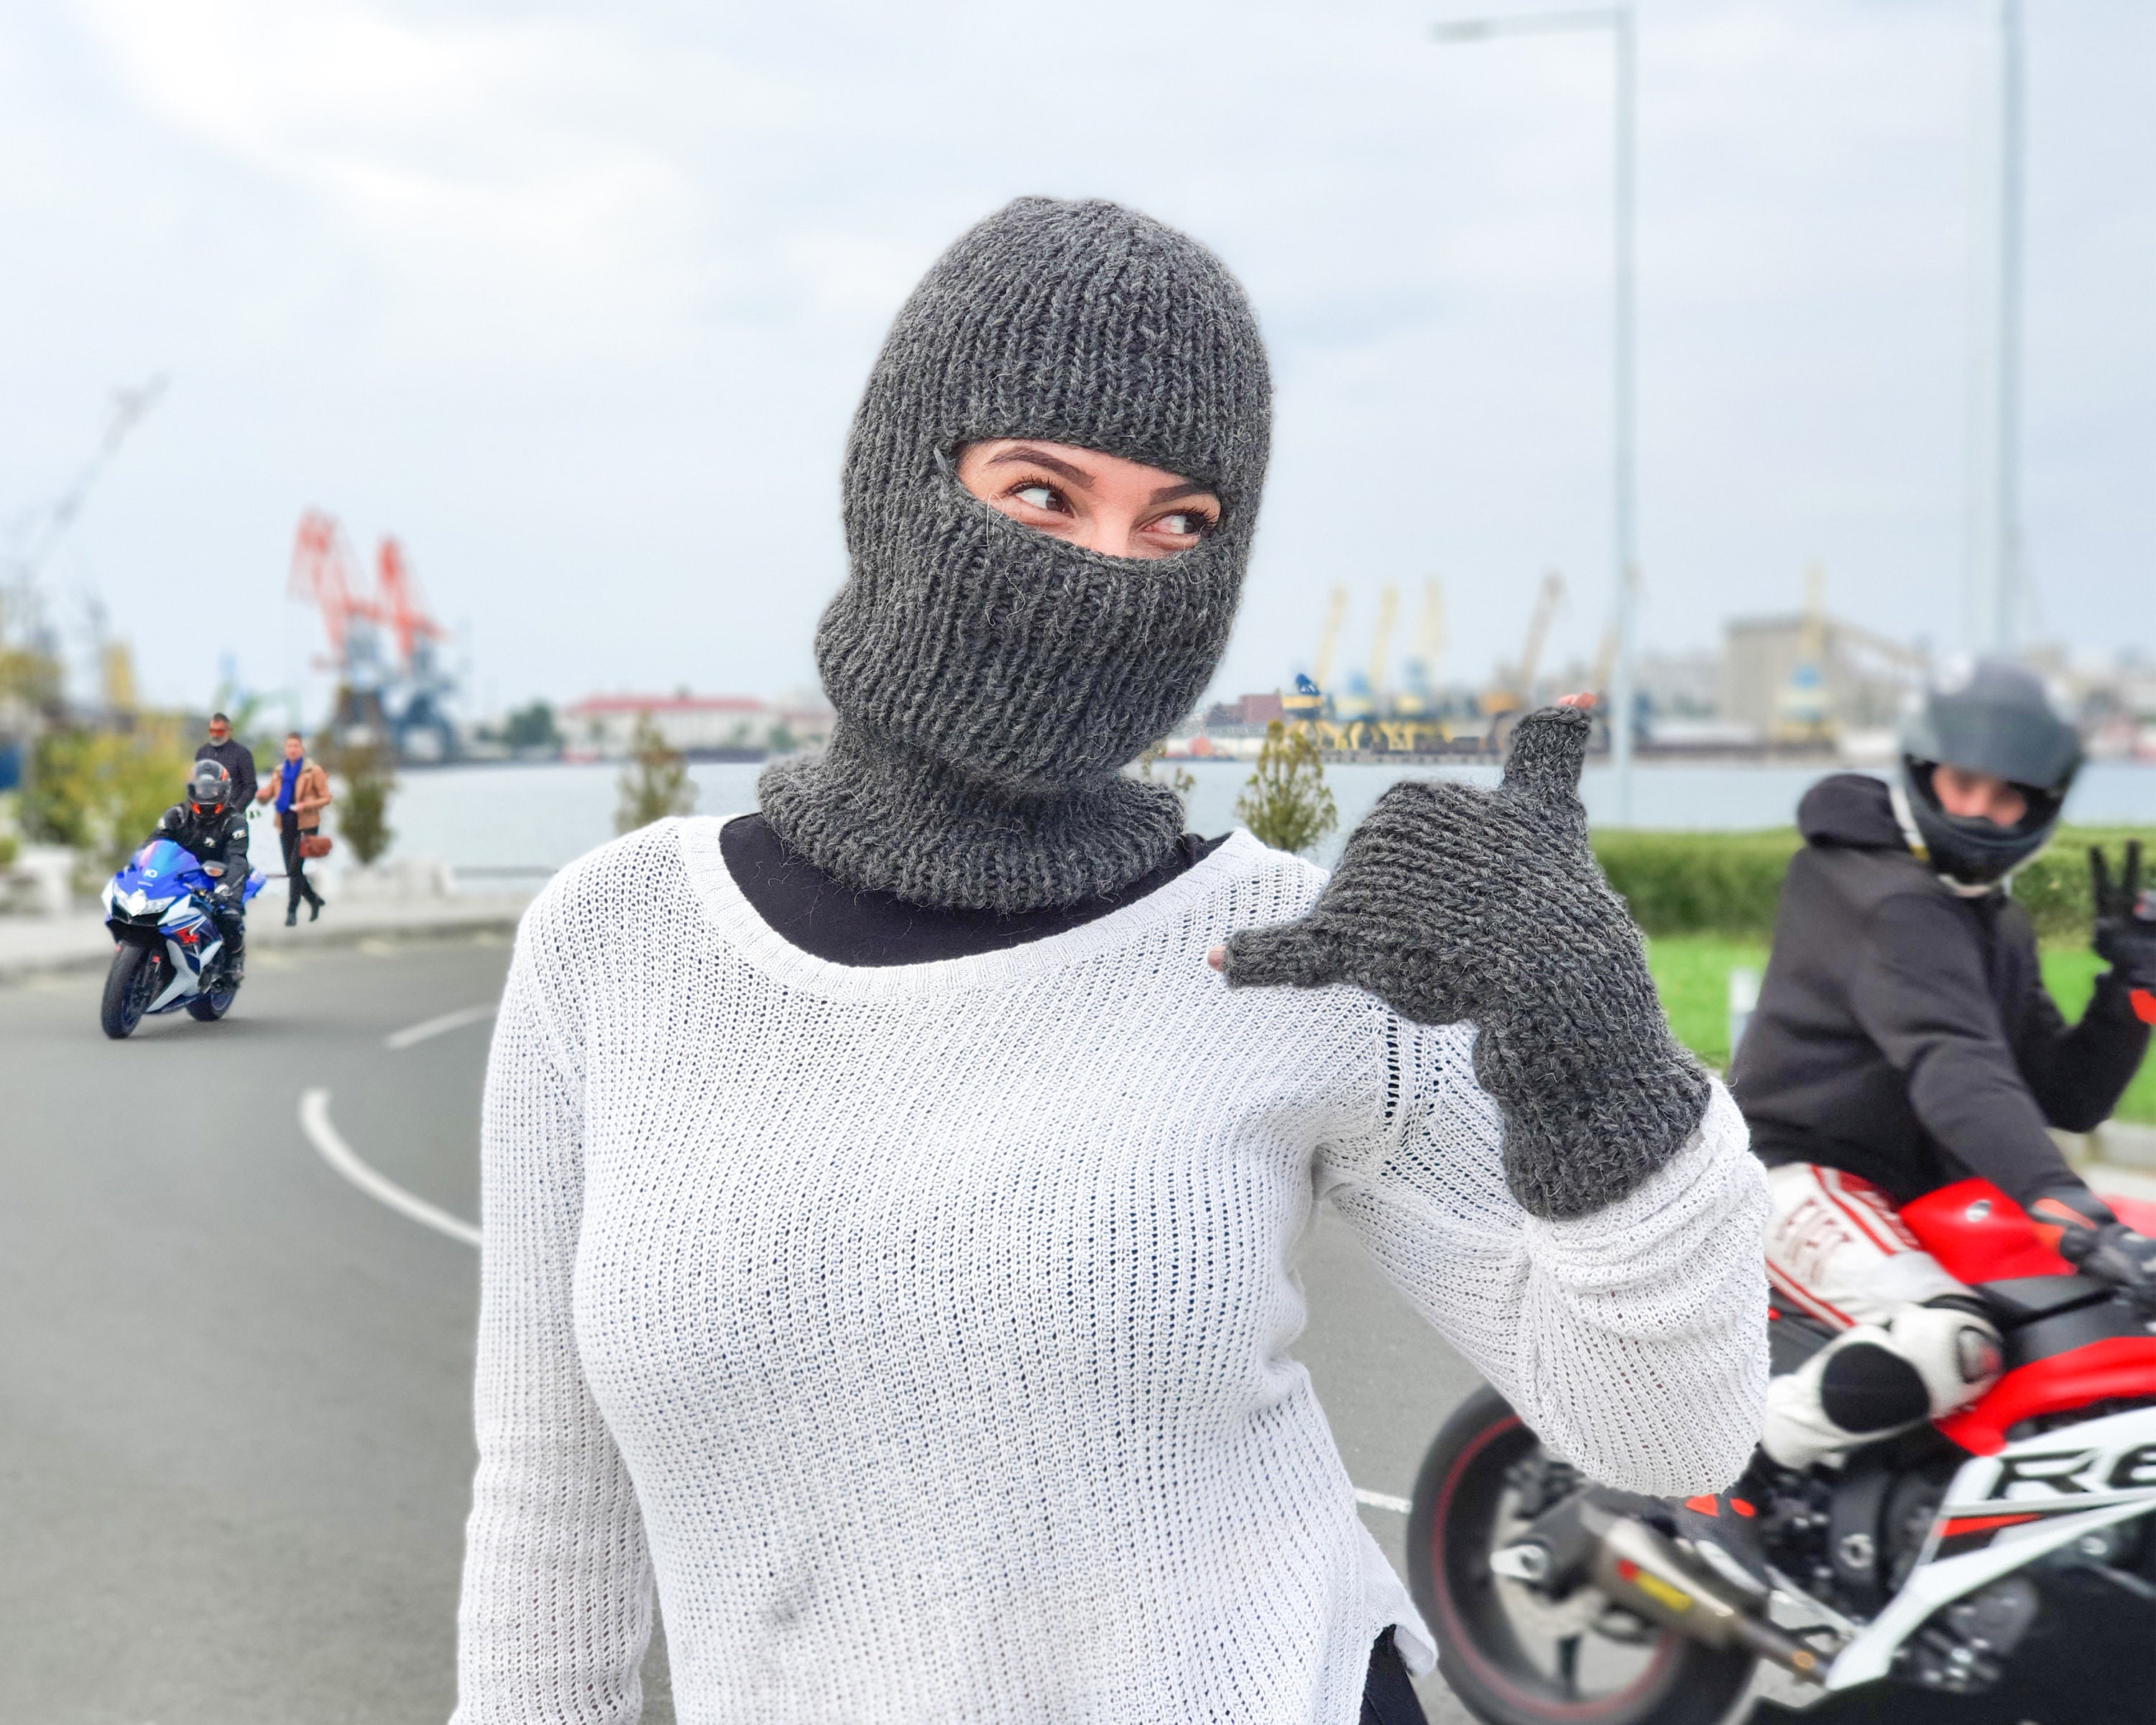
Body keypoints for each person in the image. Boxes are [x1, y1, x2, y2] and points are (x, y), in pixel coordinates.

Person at [451, 198, 1768, 1725]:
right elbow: (553, 1518)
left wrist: (1595, 1044)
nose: (1109, 574)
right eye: (1039, 491)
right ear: (898, 477)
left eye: (1180, 524)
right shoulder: (615, 941)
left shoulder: (1298, 951)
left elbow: (1669, 1433)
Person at [1730, 659, 2156, 1475]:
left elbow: (2065, 1096)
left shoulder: (1989, 919)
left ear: (2042, 807)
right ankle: (1722, 1464)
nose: (1983, 813)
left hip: (1921, 1198)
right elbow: (1954, 1067)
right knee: (1950, 1341)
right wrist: (2068, 1206)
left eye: (2009, 798)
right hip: (1792, 1173)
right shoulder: (1883, 896)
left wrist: (2130, 994)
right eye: (1966, 785)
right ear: (1926, 773)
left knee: (2091, 1320)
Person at [148, 759, 252, 980]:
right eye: (201, 788)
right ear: (192, 789)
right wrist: (142, 869)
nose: (206, 794)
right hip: (183, 874)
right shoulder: (176, 815)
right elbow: (153, 845)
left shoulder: (235, 823)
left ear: (224, 791)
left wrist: (225, 886)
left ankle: (234, 957)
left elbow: (237, 859)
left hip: (220, 877)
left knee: (229, 914)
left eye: (213, 788)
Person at [257, 732, 330, 925]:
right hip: (286, 823)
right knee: (292, 871)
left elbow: (326, 798)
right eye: (289, 746)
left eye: (296, 746)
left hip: (307, 825)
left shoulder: (313, 771)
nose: (292, 750)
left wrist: (306, 805)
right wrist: (260, 794)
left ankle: (292, 911)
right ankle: (314, 900)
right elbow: (269, 794)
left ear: (302, 749)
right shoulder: (280, 772)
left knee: (295, 867)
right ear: (285, 749)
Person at [195, 711, 258, 815]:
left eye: (219, 731)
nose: (215, 735)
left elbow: (250, 787)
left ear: (228, 731)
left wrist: (236, 810)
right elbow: (196, 782)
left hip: (231, 812)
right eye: (212, 731)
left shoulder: (242, 754)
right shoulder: (202, 752)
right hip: (205, 813)